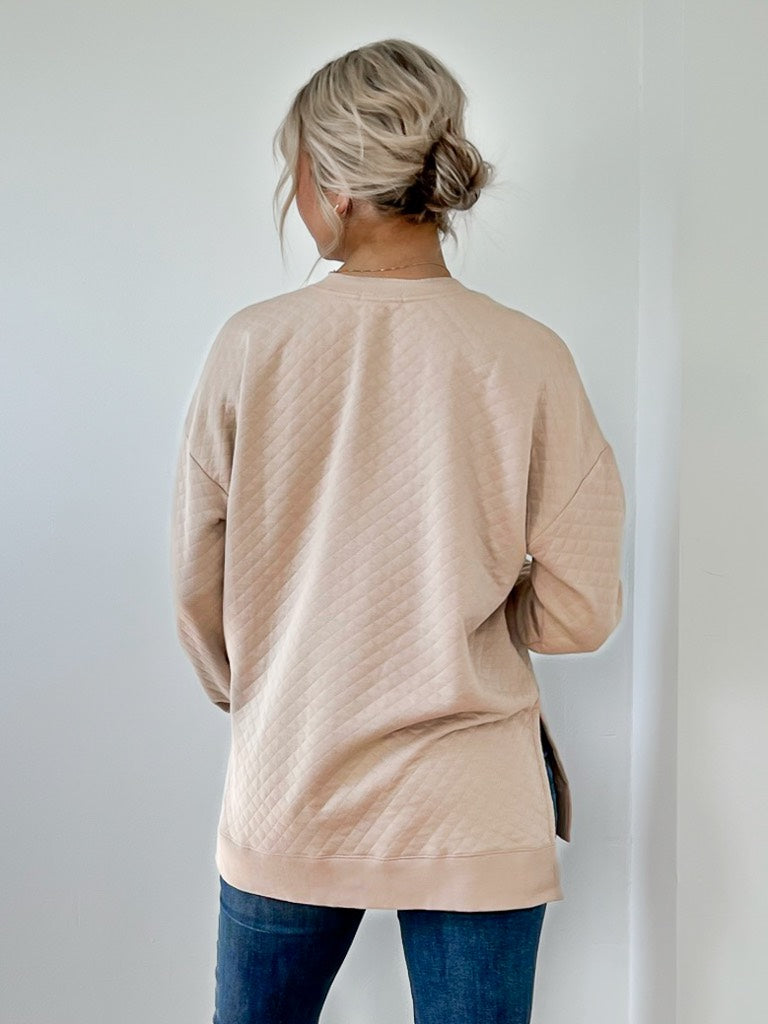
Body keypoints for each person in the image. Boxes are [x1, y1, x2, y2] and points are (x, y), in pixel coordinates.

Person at [170, 37, 626, 1024]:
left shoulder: (252, 347)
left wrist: (270, 688)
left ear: (333, 186)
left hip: (291, 780)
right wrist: (467, 602)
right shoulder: (529, 355)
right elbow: (582, 610)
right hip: (473, 802)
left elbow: (197, 588)